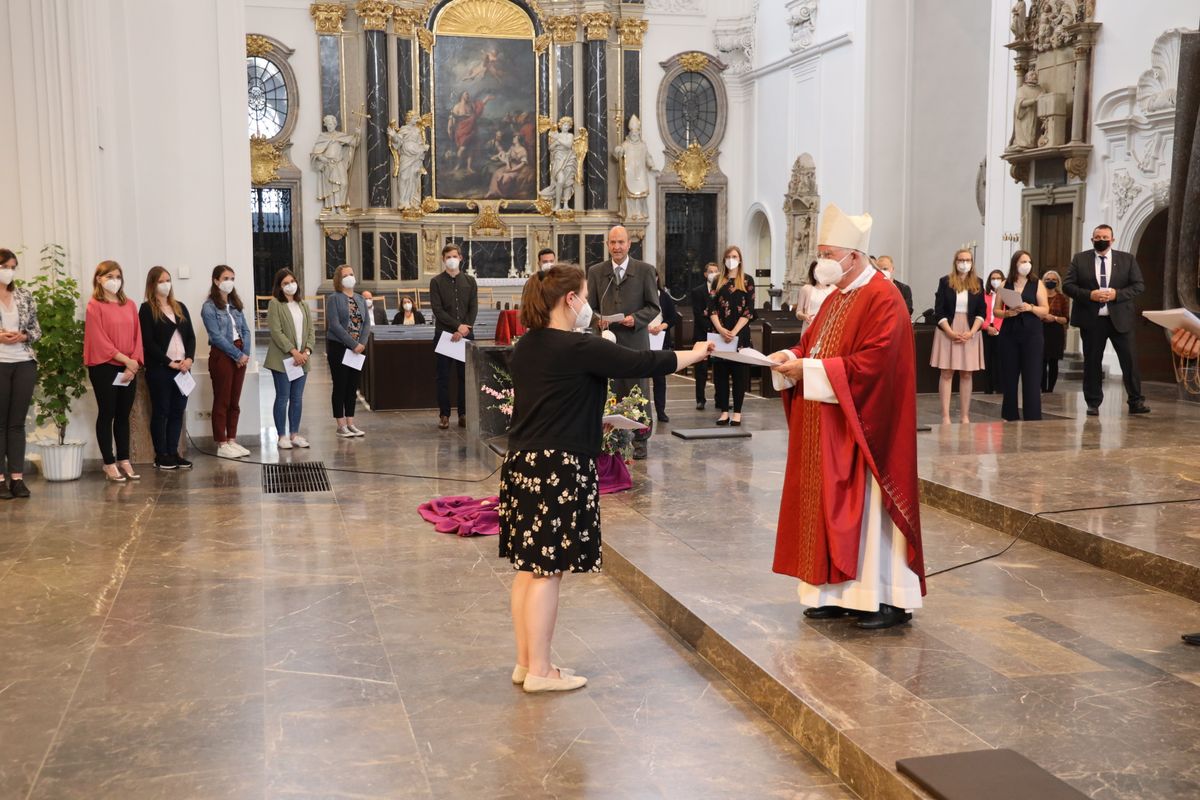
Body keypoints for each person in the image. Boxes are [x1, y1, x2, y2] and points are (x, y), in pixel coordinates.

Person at [499, 265, 714, 692]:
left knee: (529, 569)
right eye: (583, 295)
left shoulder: (528, 345)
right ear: (570, 301)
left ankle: (527, 663)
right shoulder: (578, 347)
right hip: (557, 468)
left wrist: (592, 422)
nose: (588, 304)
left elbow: (549, 404)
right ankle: (541, 671)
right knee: (548, 572)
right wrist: (698, 352)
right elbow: (644, 360)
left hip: (524, 463)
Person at [769, 204, 925, 630]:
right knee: (827, 508)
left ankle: (886, 599)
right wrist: (789, 357)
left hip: (869, 430)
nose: (821, 261)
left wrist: (812, 370)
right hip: (828, 426)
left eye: (828, 253)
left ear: (854, 257)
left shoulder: (883, 297)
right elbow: (815, 347)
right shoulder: (837, 297)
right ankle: (835, 592)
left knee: (871, 514)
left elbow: (875, 365)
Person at [586, 225, 660, 459]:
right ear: (607, 245)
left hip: (635, 341)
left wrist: (635, 319)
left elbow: (653, 307)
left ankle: (641, 439)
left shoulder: (645, 270)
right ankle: (611, 438)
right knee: (610, 389)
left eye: (621, 242)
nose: (617, 247)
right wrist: (598, 320)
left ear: (629, 244)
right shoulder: (596, 272)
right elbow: (591, 308)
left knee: (637, 389)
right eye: (612, 243)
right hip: (607, 342)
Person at [1062, 224, 1150, 416]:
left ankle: (1136, 401)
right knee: (1092, 362)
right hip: (1092, 321)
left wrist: (1116, 294)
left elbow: (1138, 285)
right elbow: (1067, 286)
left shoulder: (1127, 259)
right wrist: (1089, 295)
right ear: (1092, 239)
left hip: (1120, 320)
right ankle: (1093, 402)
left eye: (1105, 237)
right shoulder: (1080, 259)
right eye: (1097, 237)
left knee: (1130, 361)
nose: (1101, 239)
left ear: (1112, 240)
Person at [84, 260, 144, 482]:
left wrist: (134, 361)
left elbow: (138, 336)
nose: (114, 281)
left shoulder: (129, 304)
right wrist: (125, 360)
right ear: (99, 279)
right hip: (105, 367)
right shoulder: (94, 305)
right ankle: (108, 463)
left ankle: (124, 459)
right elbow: (99, 340)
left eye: (118, 276)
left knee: (123, 415)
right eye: (109, 276)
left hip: (129, 367)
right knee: (107, 413)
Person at [138, 266, 195, 471]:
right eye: (162, 281)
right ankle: (161, 454)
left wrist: (189, 359)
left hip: (183, 368)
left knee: (177, 411)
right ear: (153, 284)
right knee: (161, 411)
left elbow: (190, 337)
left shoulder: (180, 306)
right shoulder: (146, 309)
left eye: (168, 280)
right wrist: (168, 361)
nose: (166, 284)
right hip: (161, 368)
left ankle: (173, 452)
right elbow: (148, 341)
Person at [0, 248, 40, 499]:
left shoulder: (24, 295)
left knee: (16, 423)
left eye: (13, 267)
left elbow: (36, 330)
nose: (9, 271)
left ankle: (17, 479)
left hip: (24, 361)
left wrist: (23, 336)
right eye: (5, 266)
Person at [201, 265, 252, 459]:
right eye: (226, 278)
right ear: (216, 281)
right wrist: (237, 355)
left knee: (234, 401)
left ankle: (232, 439)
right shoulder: (209, 307)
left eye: (232, 278)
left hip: (240, 353)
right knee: (222, 400)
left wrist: (245, 353)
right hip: (222, 355)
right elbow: (216, 336)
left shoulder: (235, 304)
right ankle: (222, 444)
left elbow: (245, 330)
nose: (229, 281)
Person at [931, 249, 985, 424]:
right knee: (946, 373)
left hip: (970, 330)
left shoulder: (978, 283)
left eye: (968, 260)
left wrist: (971, 332)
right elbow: (938, 311)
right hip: (949, 328)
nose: (964, 263)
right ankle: (945, 416)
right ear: (955, 262)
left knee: (967, 374)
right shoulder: (945, 282)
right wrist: (950, 332)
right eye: (961, 260)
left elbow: (981, 311)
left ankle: (964, 416)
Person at [995, 250, 1049, 421]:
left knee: (1032, 376)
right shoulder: (1005, 284)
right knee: (1009, 376)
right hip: (1010, 332)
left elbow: (1045, 310)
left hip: (1032, 334)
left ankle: (1032, 416)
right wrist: (1007, 313)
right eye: (1022, 261)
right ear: (1015, 264)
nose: (1026, 265)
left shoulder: (1037, 283)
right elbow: (996, 311)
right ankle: (1009, 414)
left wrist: (1030, 307)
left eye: (1029, 261)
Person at [265, 268, 315, 450]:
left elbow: (311, 331)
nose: (290, 285)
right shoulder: (275, 304)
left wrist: (306, 352)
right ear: (279, 286)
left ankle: (294, 433)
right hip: (283, 360)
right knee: (283, 397)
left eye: (292, 281)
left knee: (297, 398)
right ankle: (282, 435)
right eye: (285, 283)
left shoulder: (303, 305)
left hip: (302, 360)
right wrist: (294, 352)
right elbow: (276, 332)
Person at [430, 244, 478, 429]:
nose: (451, 259)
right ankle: (444, 414)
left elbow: (473, 307)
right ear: (443, 259)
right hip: (444, 336)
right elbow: (437, 310)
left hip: (466, 335)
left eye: (454, 256)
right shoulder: (436, 282)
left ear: (460, 258)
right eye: (448, 256)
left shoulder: (470, 281)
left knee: (464, 377)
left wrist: (464, 328)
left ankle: (464, 413)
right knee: (443, 377)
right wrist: (457, 326)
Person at [708, 245, 755, 426]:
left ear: (740, 259)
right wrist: (720, 329)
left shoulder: (747, 280)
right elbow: (711, 308)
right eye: (728, 256)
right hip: (720, 334)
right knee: (720, 376)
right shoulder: (717, 280)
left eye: (734, 256)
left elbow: (749, 310)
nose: (731, 259)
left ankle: (737, 412)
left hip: (740, 335)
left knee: (739, 376)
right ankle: (724, 411)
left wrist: (734, 332)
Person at [327, 264, 371, 438]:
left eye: (351, 274)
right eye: (346, 275)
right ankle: (341, 424)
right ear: (339, 279)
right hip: (340, 347)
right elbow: (335, 324)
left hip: (358, 349)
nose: (350, 277)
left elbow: (366, 323)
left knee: (352, 387)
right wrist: (352, 344)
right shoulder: (334, 298)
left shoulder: (360, 298)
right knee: (340, 385)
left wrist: (362, 343)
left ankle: (351, 422)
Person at [649, 270, 681, 423]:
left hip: (660, 340)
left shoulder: (664, 296)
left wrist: (662, 326)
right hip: (643, 338)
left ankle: (660, 411)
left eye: (653, 276)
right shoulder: (639, 296)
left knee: (659, 379)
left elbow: (673, 317)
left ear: (657, 278)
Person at [690, 263, 719, 410]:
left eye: (716, 271)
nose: (713, 274)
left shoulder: (721, 289)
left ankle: (720, 399)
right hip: (702, 334)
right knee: (701, 370)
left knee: (719, 368)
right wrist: (712, 327)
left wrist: (719, 329)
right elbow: (698, 313)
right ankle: (700, 399)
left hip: (718, 335)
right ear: (705, 274)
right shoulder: (698, 291)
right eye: (710, 272)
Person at [1041, 269, 1070, 393]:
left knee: (1053, 362)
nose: (1050, 281)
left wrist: (1055, 318)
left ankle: (1050, 389)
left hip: (1056, 331)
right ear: (1043, 282)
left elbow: (1066, 319)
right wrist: (1043, 316)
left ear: (1058, 282)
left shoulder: (1062, 298)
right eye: (1047, 279)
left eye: (1053, 280)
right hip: (1041, 330)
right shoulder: (1039, 296)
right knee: (1041, 361)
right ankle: (1042, 388)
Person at [981, 269, 1006, 394]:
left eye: (998, 278)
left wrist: (997, 328)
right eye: (993, 278)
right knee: (987, 359)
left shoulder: (1006, 295)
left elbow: (1006, 313)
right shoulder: (984, 295)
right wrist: (987, 327)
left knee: (999, 360)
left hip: (1000, 330)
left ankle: (1000, 387)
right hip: (985, 329)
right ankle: (988, 388)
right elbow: (979, 314)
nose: (995, 281)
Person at [794, 261, 834, 335]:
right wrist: (805, 316)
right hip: (811, 326)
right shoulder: (806, 289)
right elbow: (798, 312)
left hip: (828, 328)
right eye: (816, 271)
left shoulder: (834, 289)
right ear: (813, 272)